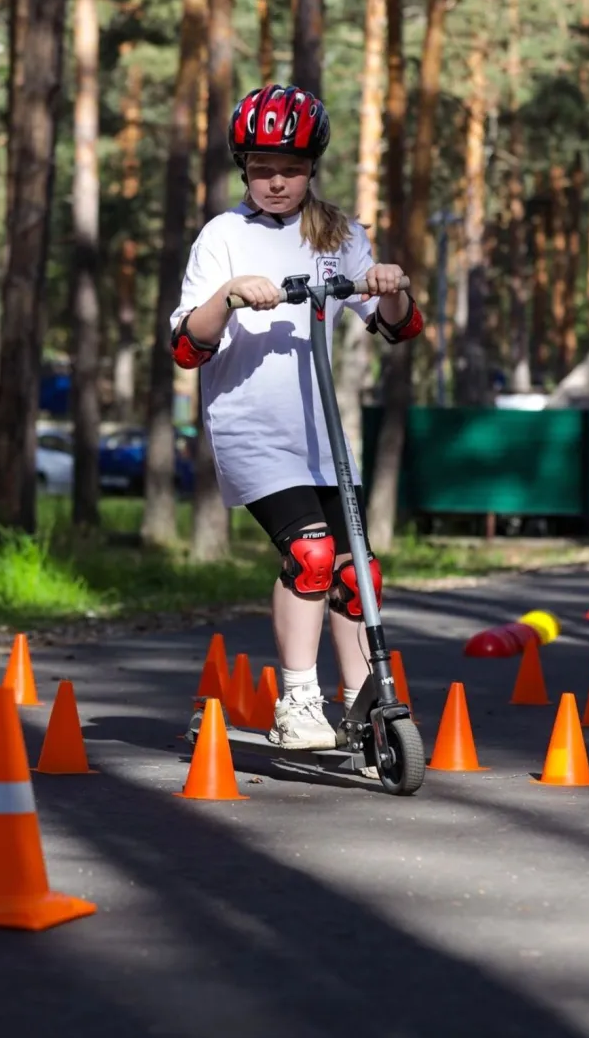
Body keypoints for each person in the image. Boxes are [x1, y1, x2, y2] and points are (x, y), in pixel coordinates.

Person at [170, 84, 423, 750]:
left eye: (288, 168)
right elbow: (185, 347)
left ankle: (364, 702)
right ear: (241, 167)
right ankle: (297, 699)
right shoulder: (222, 236)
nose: (275, 182)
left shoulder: (340, 234)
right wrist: (227, 297)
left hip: (320, 434)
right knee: (310, 555)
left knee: (354, 571)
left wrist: (391, 286)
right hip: (251, 427)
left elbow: (399, 329)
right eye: (259, 169)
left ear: (312, 166)